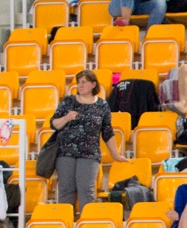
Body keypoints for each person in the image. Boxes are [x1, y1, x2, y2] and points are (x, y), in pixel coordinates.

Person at [50, 71, 128, 215]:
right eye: (79, 82)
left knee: (86, 189)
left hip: (90, 153)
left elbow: (107, 131)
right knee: (66, 189)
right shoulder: (68, 101)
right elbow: (54, 123)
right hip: (66, 152)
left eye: (84, 82)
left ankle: (87, 224)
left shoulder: (102, 105)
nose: (80, 85)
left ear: (93, 84)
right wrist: (66, 118)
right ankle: (65, 225)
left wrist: (116, 155)